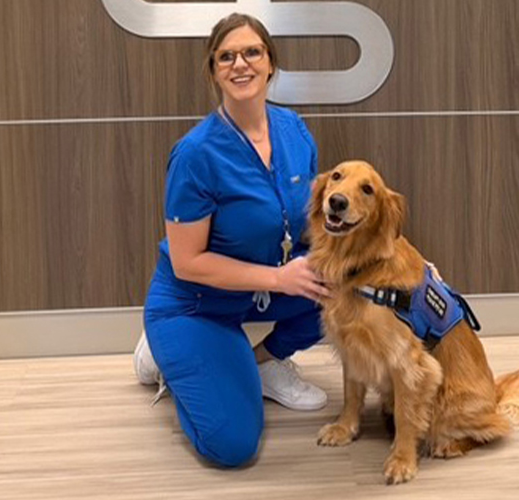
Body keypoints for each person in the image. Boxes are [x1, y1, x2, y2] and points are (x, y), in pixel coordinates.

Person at [133, 13, 331, 468]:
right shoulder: (196, 154)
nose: (240, 63)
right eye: (226, 56)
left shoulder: (293, 130)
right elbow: (188, 263)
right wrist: (281, 278)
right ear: (214, 70)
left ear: (270, 64)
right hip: (196, 302)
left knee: (345, 290)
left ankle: (262, 364)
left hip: (261, 289)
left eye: (252, 52)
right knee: (233, 444)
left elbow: (308, 222)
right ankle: (166, 354)